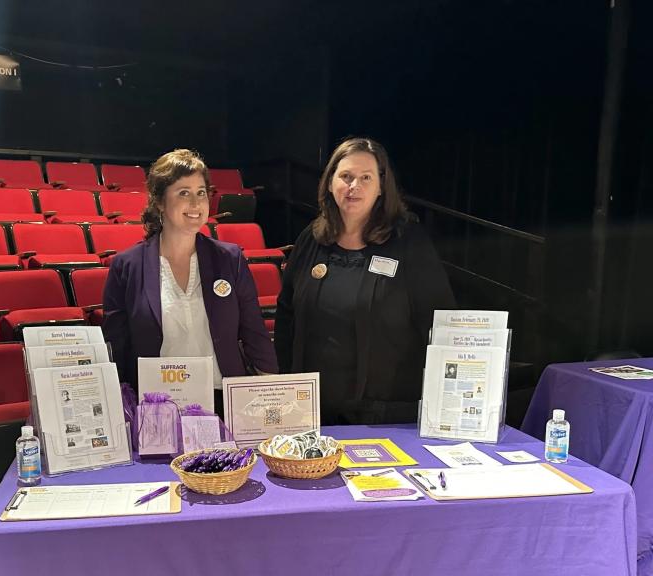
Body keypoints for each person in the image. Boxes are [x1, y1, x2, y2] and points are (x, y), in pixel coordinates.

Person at [275, 137, 455, 424]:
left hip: (386, 416)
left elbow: (439, 323)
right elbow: (287, 315)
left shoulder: (408, 243)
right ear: (330, 181)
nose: (353, 186)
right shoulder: (312, 238)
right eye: (345, 176)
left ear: (382, 186)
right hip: (311, 413)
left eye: (365, 177)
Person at [102, 149, 277, 410]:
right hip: (157, 408)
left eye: (201, 192)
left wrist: (273, 396)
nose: (196, 204)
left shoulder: (230, 259)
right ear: (159, 201)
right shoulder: (126, 266)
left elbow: (254, 332)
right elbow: (117, 347)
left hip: (223, 404)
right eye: (183, 192)